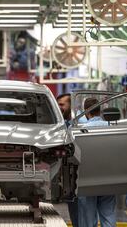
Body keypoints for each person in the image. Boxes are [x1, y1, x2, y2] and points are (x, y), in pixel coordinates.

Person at [78, 97, 116, 227]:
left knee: (88, 218)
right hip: (109, 177)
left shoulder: (81, 129)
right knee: (108, 214)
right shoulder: (112, 127)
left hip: (87, 178)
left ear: (86, 112)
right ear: (100, 111)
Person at [56, 93, 78, 227]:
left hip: (81, 174)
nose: (59, 108)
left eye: (62, 104)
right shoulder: (60, 124)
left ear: (72, 105)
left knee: (84, 213)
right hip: (68, 176)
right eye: (57, 104)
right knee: (74, 210)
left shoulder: (81, 123)